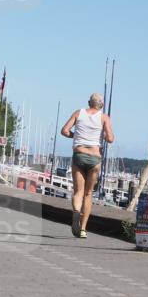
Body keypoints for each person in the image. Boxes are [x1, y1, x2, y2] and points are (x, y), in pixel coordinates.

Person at [60, 94, 114, 238]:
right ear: (101, 105)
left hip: (79, 154)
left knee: (78, 191)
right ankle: (83, 229)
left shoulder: (79, 113)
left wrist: (75, 136)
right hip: (94, 158)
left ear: (89, 102)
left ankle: (76, 212)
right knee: (88, 194)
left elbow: (64, 131)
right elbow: (110, 139)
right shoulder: (104, 118)